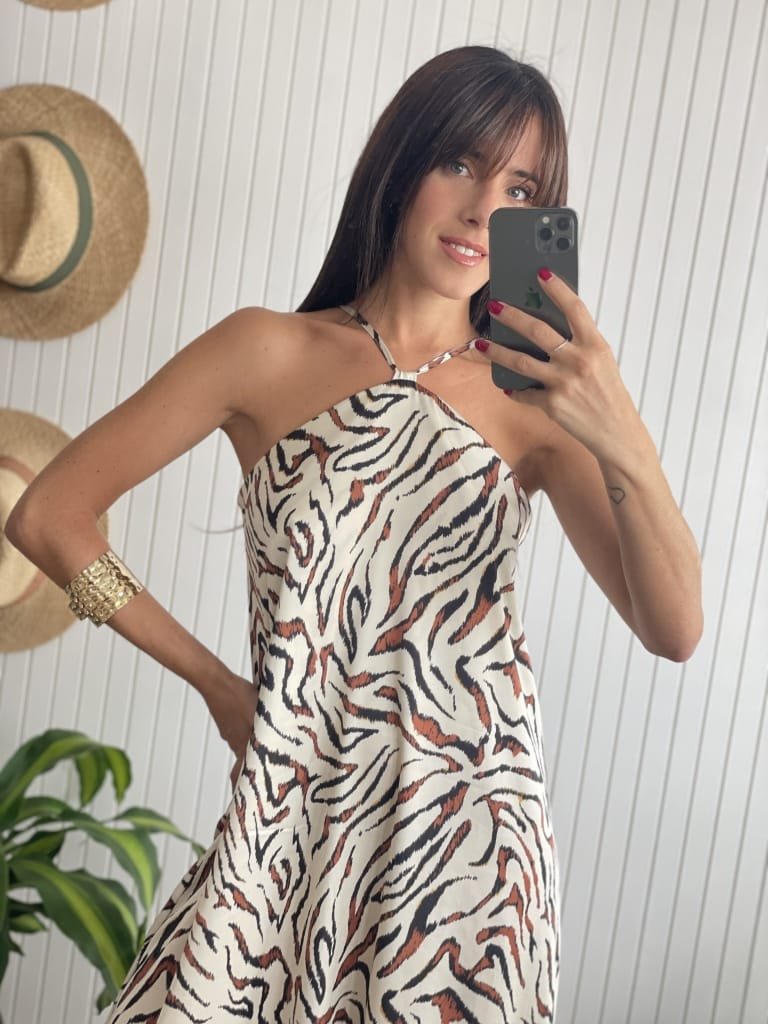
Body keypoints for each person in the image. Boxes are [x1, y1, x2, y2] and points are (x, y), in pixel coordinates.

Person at [6, 45, 702, 1023]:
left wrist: (620, 432)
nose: (482, 209)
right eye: (459, 162)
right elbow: (48, 517)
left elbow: (676, 630)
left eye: (519, 188)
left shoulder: (538, 403)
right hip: (291, 819)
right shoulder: (265, 350)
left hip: (469, 858)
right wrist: (217, 685)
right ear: (401, 161)